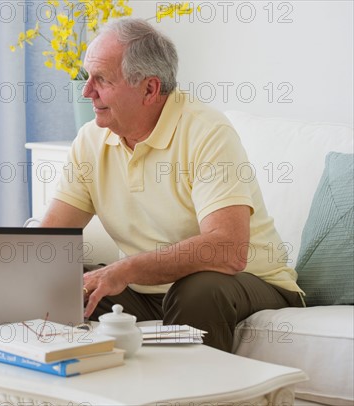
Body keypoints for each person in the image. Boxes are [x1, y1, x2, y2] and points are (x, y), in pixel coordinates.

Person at [40, 17, 304, 352]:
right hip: (152, 290)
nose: (86, 90)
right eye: (88, 77)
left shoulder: (206, 131)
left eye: (101, 80)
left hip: (250, 282)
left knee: (198, 290)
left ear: (149, 89)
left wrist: (127, 268)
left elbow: (227, 249)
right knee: (62, 282)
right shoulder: (91, 140)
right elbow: (49, 238)